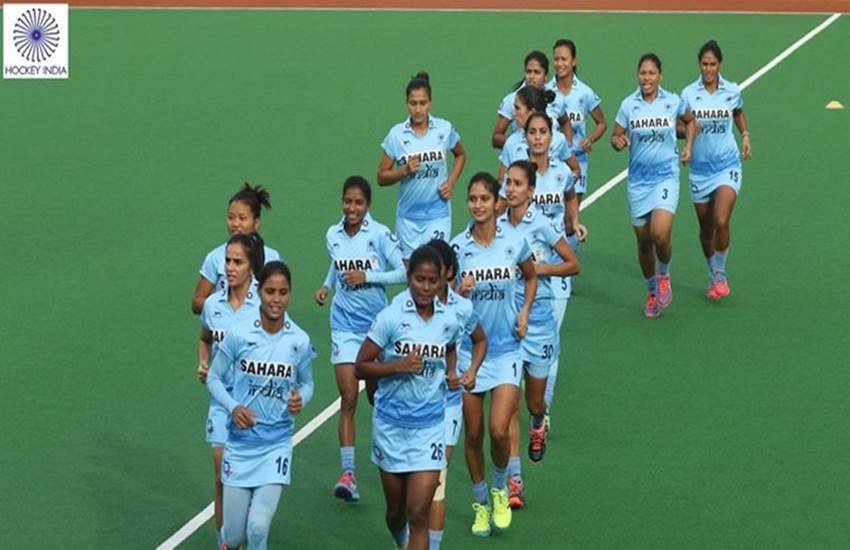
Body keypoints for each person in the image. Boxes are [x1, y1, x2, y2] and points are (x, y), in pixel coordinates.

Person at [354, 246, 470, 550]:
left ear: (442, 281)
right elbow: (360, 366)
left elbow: (451, 345)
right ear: (409, 278)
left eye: (432, 281)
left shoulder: (448, 319)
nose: (426, 287)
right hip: (391, 427)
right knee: (396, 513)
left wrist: (453, 371)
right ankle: (401, 542)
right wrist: (398, 366)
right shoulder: (390, 317)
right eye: (420, 280)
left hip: (430, 427)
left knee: (418, 511)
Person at [450, 172, 537, 537]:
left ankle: (500, 489)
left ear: (496, 202)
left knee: (499, 430)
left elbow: (531, 276)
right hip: (471, 355)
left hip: (506, 351)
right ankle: (480, 502)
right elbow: (444, 301)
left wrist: (524, 312)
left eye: (484, 198)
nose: (478, 205)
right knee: (473, 435)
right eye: (473, 199)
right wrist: (460, 290)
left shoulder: (514, 242)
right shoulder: (457, 249)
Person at [206, 261, 315, 550]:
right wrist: (233, 407)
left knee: (257, 527)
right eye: (270, 292)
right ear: (259, 292)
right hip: (240, 446)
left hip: (275, 445)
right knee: (233, 537)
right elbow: (214, 378)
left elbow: (308, 384)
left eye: (283, 292)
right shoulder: (240, 334)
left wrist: (301, 399)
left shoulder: (299, 340)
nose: (276, 299)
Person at [314, 176, 405, 502]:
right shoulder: (333, 235)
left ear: (368, 205)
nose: (352, 208)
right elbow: (337, 262)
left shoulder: (379, 235)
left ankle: (390, 449)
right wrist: (327, 285)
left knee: (377, 397)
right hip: (343, 326)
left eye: (358, 203)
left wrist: (369, 276)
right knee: (349, 396)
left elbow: (404, 272)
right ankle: (348, 475)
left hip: (375, 329)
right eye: (348, 201)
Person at [499, 160, 580, 509]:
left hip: (541, 320)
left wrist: (539, 269)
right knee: (509, 402)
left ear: (531, 191)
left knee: (533, 402)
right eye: (508, 182)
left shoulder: (543, 225)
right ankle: (515, 480)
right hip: (506, 322)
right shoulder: (495, 227)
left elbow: (573, 264)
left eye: (518, 184)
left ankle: (538, 423)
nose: (511, 189)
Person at [611, 53, 697, 318]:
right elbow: (616, 135)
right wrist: (618, 142)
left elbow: (691, 121)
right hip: (638, 182)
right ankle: (651, 293)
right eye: (643, 73)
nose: (646, 78)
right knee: (644, 243)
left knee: (660, 234)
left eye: (651, 73)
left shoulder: (673, 101)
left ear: (660, 75)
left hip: (665, 176)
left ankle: (664, 276)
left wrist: (689, 146)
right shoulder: (628, 105)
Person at [197, 232, 265, 547]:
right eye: (227, 260)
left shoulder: (264, 305)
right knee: (222, 476)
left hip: (255, 405)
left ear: (251, 267)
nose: (229, 267)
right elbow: (205, 338)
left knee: (247, 482)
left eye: (238, 262)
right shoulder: (213, 305)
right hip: (222, 401)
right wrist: (203, 362)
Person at [425, 239, 487, 550]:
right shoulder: (405, 306)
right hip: (413, 407)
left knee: (437, 478)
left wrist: (471, 371)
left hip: (448, 403)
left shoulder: (461, 309)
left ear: (449, 272)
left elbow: (480, 340)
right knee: (410, 491)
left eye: (436, 274)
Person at [680, 40, 751, 299]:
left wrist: (745, 134)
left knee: (721, 220)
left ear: (720, 64)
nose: (708, 69)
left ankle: (720, 272)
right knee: (706, 228)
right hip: (700, 170)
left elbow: (738, 112)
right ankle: (712, 271)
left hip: (727, 165)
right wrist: (688, 138)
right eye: (704, 64)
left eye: (712, 64)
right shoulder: (688, 94)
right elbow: (679, 124)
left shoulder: (731, 90)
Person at [378, 72, 466, 259]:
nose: (418, 109)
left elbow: (460, 154)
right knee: (411, 272)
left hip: (438, 213)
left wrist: (451, 182)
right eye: (413, 103)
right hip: (408, 217)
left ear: (430, 103)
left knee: (436, 264)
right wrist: (403, 171)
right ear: (406, 103)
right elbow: (381, 177)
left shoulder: (444, 129)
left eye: (422, 103)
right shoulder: (396, 135)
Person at [191, 183, 282, 314]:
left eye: (242, 218)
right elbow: (197, 302)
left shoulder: (272, 257)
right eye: (231, 217)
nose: (235, 223)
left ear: (256, 223)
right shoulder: (215, 257)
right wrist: (222, 307)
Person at [547, 38, 608, 201]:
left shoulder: (585, 92)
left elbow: (602, 123)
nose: (559, 64)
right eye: (556, 59)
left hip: (577, 160)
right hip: (552, 160)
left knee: (572, 212)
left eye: (564, 59)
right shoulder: (546, 92)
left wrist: (590, 139)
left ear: (574, 61)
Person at [496, 85, 580, 186]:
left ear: (531, 112)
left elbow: (575, 170)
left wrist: (563, 188)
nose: (514, 113)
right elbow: (501, 179)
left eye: (517, 108)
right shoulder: (511, 142)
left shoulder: (558, 140)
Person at [491, 51, 565, 149]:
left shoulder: (555, 98)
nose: (531, 77)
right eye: (528, 72)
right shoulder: (512, 100)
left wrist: (567, 146)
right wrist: (520, 142)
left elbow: (565, 123)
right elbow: (496, 138)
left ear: (546, 75)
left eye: (537, 72)